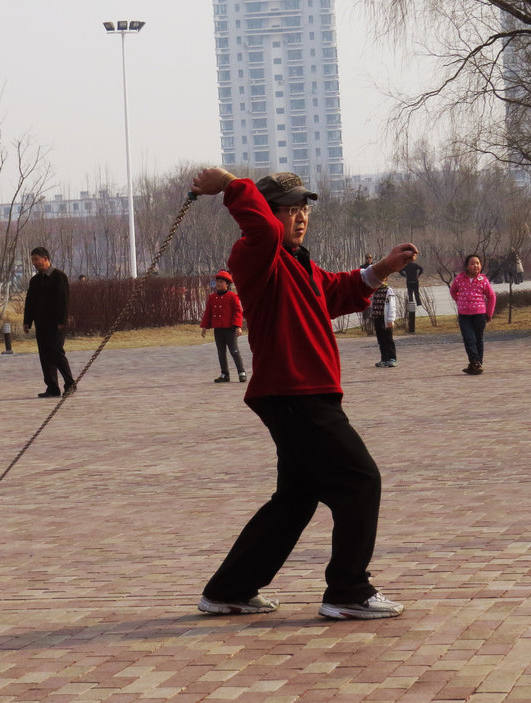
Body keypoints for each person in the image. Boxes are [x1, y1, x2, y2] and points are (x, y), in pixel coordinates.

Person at [190, 167, 418, 620]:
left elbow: (341, 290)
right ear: (271, 215)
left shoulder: (302, 266)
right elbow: (260, 227)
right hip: (295, 393)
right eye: (289, 209)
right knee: (360, 480)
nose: (299, 217)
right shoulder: (256, 255)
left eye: (303, 208)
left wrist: (384, 267)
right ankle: (348, 591)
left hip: (303, 393)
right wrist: (234, 185)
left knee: (295, 499)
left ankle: (229, 589)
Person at [23, 247, 76, 398]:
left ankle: (70, 383)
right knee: (45, 355)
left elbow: (63, 300)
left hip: (56, 324)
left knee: (56, 352)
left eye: (36, 259)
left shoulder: (59, 277)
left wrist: (61, 321)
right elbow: (30, 302)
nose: (34, 263)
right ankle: (52, 387)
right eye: (32, 260)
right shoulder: (35, 280)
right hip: (41, 324)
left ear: (45, 259)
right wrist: (27, 321)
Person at [450, 254, 496, 375]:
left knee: (478, 339)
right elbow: (453, 291)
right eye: (472, 263)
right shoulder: (460, 278)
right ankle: (475, 362)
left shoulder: (483, 280)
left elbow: (491, 296)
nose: (475, 266)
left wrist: (489, 312)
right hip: (464, 315)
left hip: (479, 314)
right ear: (466, 266)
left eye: (478, 263)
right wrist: (459, 301)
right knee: (469, 339)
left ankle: (476, 364)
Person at [200, 270, 247, 383]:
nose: (219, 284)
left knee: (234, 351)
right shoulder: (212, 297)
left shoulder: (232, 297)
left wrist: (238, 326)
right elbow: (208, 313)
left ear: (227, 284)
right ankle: (224, 374)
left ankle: (241, 372)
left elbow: (237, 312)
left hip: (230, 329)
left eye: (221, 282)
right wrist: (205, 326)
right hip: (218, 330)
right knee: (221, 353)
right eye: (217, 282)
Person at [370, 278, 397, 368]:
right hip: (377, 317)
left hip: (385, 318)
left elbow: (392, 306)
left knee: (388, 339)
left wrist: (390, 319)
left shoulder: (388, 291)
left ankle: (392, 358)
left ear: (385, 280)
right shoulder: (375, 290)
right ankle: (384, 358)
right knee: (381, 340)